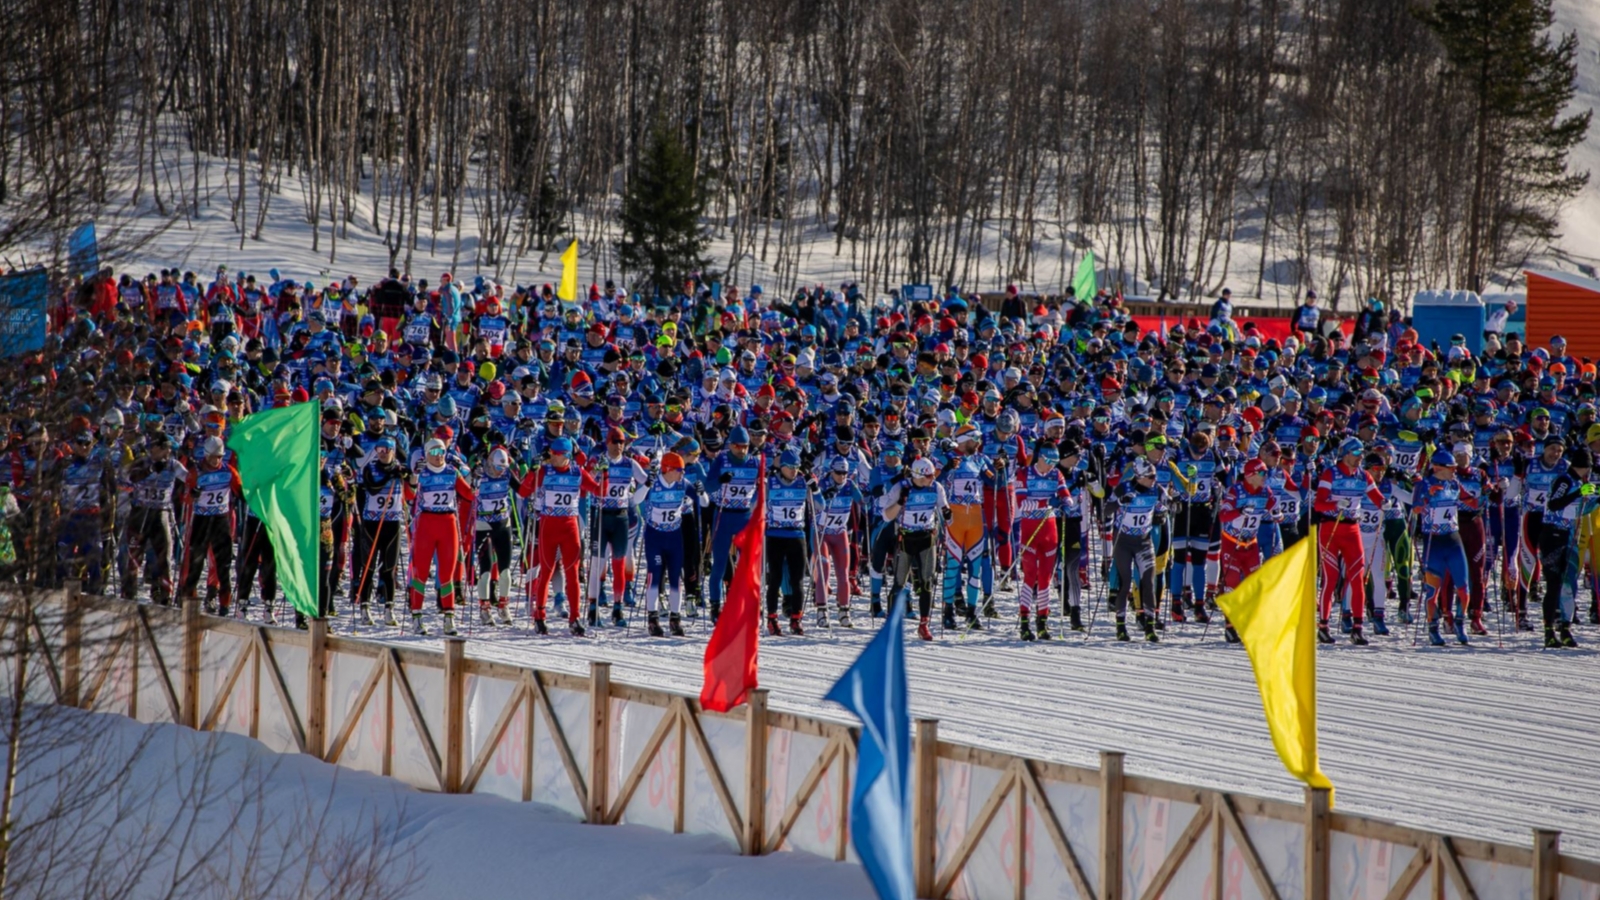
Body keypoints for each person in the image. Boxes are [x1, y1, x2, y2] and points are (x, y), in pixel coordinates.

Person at [521, 437, 603, 634]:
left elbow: (600, 492)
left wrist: (605, 473)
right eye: (552, 454)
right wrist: (531, 473)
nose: (554, 458)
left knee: (572, 574)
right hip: (549, 525)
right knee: (547, 571)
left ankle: (575, 618)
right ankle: (539, 615)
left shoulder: (578, 472)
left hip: (570, 527)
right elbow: (524, 491)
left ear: (567, 455)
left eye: (558, 454)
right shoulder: (544, 471)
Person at [1312, 438, 1385, 644]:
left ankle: (1357, 627)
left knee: (1357, 577)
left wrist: (1384, 504)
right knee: (1331, 578)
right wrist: (1336, 503)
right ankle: (1324, 626)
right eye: (1356, 452)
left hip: (1352, 529)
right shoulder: (1331, 474)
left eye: (1361, 452)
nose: (1360, 456)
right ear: (1345, 454)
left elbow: (1376, 497)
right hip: (1330, 529)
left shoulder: (1364, 475)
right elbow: (1319, 504)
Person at [407, 439, 475, 635]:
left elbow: (469, 494)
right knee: (421, 572)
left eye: (442, 451)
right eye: (434, 451)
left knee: (447, 574)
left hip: (448, 524)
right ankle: (417, 616)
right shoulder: (422, 473)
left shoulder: (451, 472)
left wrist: (474, 477)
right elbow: (410, 495)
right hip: (426, 524)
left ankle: (449, 617)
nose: (438, 455)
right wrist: (412, 476)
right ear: (426, 454)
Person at [634, 451, 703, 637]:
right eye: (680, 470)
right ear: (668, 469)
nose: (683, 473)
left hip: (674, 537)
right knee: (655, 576)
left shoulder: (683, 483)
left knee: (675, 578)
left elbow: (704, 503)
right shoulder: (655, 483)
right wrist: (647, 484)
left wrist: (701, 492)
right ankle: (653, 619)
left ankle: (675, 619)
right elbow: (635, 500)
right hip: (655, 536)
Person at [881, 457, 949, 641]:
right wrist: (900, 503)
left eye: (933, 475)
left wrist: (947, 514)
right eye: (928, 476)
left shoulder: (936, 487)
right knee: (900, 582)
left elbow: (945, 512)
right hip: (906, 539)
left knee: (927, 582)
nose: (931, 479)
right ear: (918, 475)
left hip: (927, 538)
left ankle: (924, 625)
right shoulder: (901, 487)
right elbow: (886, 516)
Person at [1412, 449, 1474, 646]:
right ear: (1438, 468)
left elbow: (1471, 502)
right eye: (1451, 468)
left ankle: (1459, 622)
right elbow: (1415, 508)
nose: (1455, 470)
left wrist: (1490, 491)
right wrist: (1426, 498)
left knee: (1464, 588)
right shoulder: (1424, 484)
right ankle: (1432, 627)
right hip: (1434, 541)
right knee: (1432, 590)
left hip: (1453, 540)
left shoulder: (1454, 483)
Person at [1215, 459, 1280, 643]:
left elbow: (1275, 508)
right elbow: (1223, 515)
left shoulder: (1264, 491)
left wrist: (1277, 514)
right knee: (1232, 583)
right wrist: (1241, 511)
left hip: (1250, 544)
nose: (1265, 477)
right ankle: (1230, 626)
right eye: (1261, 474)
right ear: (1250, 475)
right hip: (1232, 543)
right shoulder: (1236, 491)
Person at [1537, 446, 1594, 648]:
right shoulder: (1565, 480)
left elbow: (1580, 509)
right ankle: (1548, 631)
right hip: (1552, 534)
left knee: (1569, 583)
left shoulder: (1579, 482)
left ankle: (1566, 628)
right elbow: (1554, 504)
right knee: (1554, 584)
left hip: (1569, 535)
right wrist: (1579, 491)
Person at [1012, 442, 1069, 640]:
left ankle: (1042, 622)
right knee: (1030, 576)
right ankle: (1025, 622)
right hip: (1030, 530)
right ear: (1041, 458)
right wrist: (1046, 502)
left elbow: (1066, 495)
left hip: (1049, 530)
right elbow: (1022, 503)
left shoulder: (1056, 474)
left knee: (1045, 578)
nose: (1053, 465)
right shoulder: (1024, 473)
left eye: (1055, 461)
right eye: (1050, 461)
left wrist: (1066, 502)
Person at [180, 437, 242, 615]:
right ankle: (188, 601)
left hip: (220, 521)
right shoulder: (196, 472)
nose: (216, 461)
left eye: (219, 457)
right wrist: (193, 494)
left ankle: (224, 605)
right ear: (206, 455)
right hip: (202, 521)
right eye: (213, 457)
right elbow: (184, 499)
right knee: (195, 564)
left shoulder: (228, 471)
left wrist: (243, 496)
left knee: (223, 566)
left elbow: (239, 490)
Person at [352, 436, 411, 625]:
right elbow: (373, 488)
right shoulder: (371, 468)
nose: (383, 453)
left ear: (394, 451)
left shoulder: (398, 468)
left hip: (392, 524)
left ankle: (389, 609)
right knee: (368, 567)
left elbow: (412, 489)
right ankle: (365, 608)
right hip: (371, 524)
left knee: (388, 569)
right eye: (380, 450)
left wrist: (407, 475)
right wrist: (388, 476)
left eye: (387, 450)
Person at [1108, 458, 1165, 643]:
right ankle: (1121, 627)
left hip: (1143, 541)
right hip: (1123, 541)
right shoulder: (1124, 488)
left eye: (1155, 475)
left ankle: (1149, 626)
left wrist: (1165, 510)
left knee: (1148, 582)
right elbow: (1105, 510)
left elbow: (1167, 503)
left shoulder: (1156, 489)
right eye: (1150, 476)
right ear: (1139, 477)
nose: (1153, 479)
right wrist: (1119, 502)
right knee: (1125, 583)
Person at [764, 449, 816, 635]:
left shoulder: (803, 481)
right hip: (775, 535)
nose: (794, 471)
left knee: (798, 581)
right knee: (775, 578)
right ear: (782, 467)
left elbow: (821, 505)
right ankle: (772, 618)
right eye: (790, 468)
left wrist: (815, 488)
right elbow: (757, 503)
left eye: (796, 467)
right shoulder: (771, 482)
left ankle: (796, 619)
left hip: (797, 535)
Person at [814, 456, 866, 627]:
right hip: (821, 533)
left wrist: (866, 496)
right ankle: (821, 611)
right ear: (832, 471)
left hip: (839, 533)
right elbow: (813, 502)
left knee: (843, 574)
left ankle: (844, 611)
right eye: (838, 473)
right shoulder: (822, 483)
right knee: (824, 570)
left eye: (845, 473)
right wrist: (824, 497)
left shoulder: (850, 485)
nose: (842, 477)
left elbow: (862, 500)